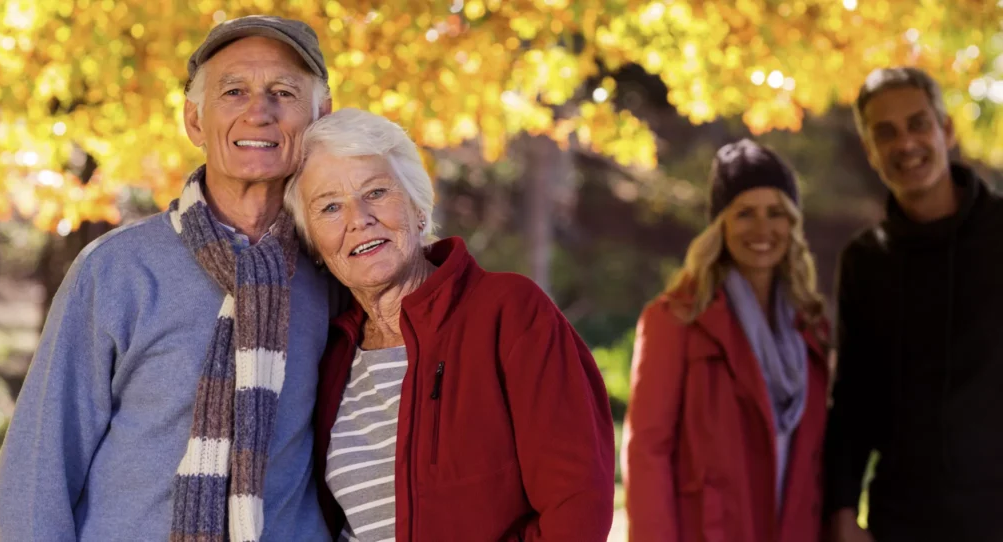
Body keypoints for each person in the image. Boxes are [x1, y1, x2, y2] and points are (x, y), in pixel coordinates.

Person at [0, 16, 336, 542]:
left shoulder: (334, 275)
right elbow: (38, 472)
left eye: (284, 92)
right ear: (195, 121)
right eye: (234, 91)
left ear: (320, 118)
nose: (258, 111)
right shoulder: (115, 270)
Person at [283, 107, 616, 541]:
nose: (358, 218)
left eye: (377, 192)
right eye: (329, 207)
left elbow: (578, 506)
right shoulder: (328, 355)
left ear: (419, 208)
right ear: (313, 242)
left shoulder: (509, 312)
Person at [825, 67, 1003, 542]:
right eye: (886, 132)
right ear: (870, 151)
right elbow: (853, 397)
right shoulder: (864, 261)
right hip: (904, 519)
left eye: (918, 124)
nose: (905, 143)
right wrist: (841, 507)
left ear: (946, 130)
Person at [621, 139, 830, 542]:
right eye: (745, 214)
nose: (763, 229)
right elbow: (648, 451)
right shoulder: (676, 319)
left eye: (776, 213)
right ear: (721, 226)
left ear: (792, 223)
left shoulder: (812, 328)